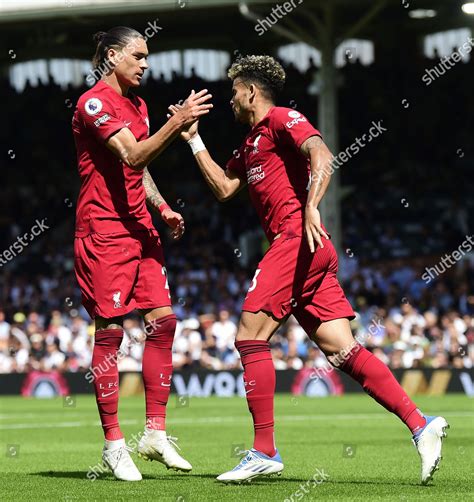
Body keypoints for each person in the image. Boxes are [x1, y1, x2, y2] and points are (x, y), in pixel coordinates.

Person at [168, 55, 448, 484]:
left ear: (250, 92)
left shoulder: (283, 118)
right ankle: (420, 424)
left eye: (233, 93)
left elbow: (323, 154)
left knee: (248, 335)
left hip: (298, 241)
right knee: (342, 350)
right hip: (307, 252)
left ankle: (264, 450)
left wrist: (312, 206)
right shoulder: (248, 145)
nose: (229, 102)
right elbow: (225, 188)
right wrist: (193, 140)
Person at [72, 26, 212, 481]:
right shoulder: (93, 103)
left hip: (141, 227)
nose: (146, 64)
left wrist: (163, 206)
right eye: (139, 55)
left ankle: (153, 432)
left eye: (147, 56)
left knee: (164, 322)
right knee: (110, 332)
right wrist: (179, 123)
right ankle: (114, 444)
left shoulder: (139, 105)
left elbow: (140, 169)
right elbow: (130, 156)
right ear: (113, 56)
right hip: (105, 232)